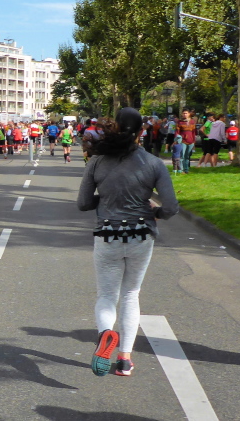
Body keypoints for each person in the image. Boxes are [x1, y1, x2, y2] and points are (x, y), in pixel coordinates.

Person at [77, 107, 179, 377]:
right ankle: (124, 359)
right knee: (131, 294)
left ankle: (105, 333)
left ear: (114, 126)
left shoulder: (97, 162)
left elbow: (83, 203)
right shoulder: (153, 163)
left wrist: (107, 199)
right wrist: (155, 212)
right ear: (141, 131)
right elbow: (171, 207)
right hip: (141, 235)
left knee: (107, 295)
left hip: (107, 235)